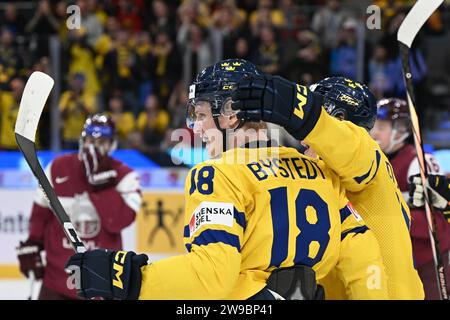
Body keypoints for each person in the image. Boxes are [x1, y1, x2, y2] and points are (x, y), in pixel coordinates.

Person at [65, 59, 387, 300]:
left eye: (202, 115)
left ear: (230, 113)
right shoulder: (318, 171)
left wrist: (127, 279)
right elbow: (364, 257)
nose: (197, 128)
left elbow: (212, 276)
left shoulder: (216, 174)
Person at [230, 73, 424, 299]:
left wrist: (297, 107)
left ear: (340, 119)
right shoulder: (324, 173)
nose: (303, 140)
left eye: (319, 116)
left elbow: (346, 144)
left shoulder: (368, 155)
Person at [16, 114, 141, 300]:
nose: (94, 147)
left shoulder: (125, 177)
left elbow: (119, 222)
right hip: (56, 281)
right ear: (82, 140)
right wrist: (33, 244)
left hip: (101, 284)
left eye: (102, 142)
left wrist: (102, 186)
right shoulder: (57, 168)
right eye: (90, 140)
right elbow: (40, 215)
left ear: (112, 144)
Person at [370, 98, 450, 299]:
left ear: (400, 130)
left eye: (381, 127)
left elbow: (438, 221)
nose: (374, 133)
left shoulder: (420, 162)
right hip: (395, 259)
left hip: (428, 260)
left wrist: (389, 219)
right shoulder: (374, 160)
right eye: (373, 127)